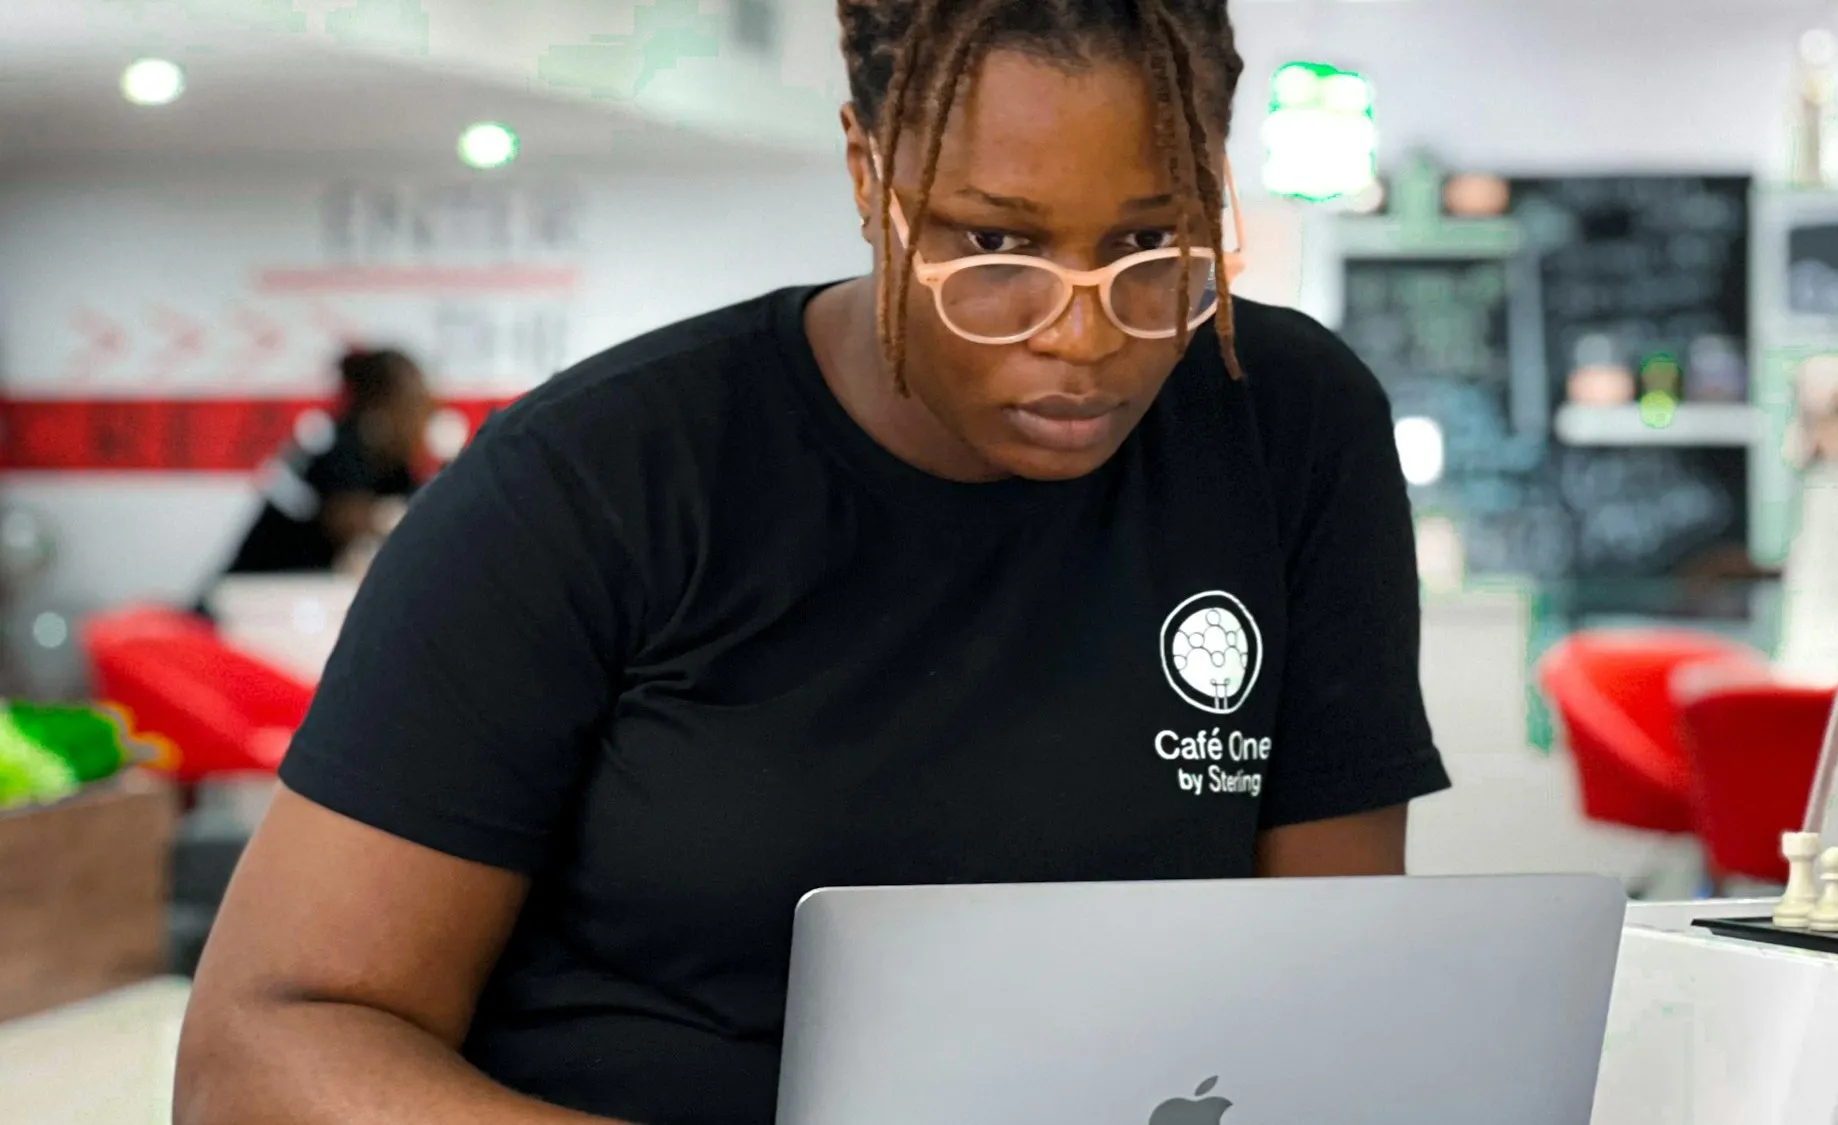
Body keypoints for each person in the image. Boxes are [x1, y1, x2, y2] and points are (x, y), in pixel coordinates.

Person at [173, 1, 1449, 1122]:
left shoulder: (1283, 425)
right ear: (864, 171)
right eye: (991, 246)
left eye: (1146, 246)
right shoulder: (595, 480)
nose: (1080, 337)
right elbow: (257, 1056)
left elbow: (1319, 989)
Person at [217, 348, 433, 576]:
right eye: (413, 406)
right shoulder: (339, 445)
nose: (420, 419)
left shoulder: (396, 462)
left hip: (301, 583)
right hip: (262, 581)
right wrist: (392, 520)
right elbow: (345, 521)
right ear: (381, 407)